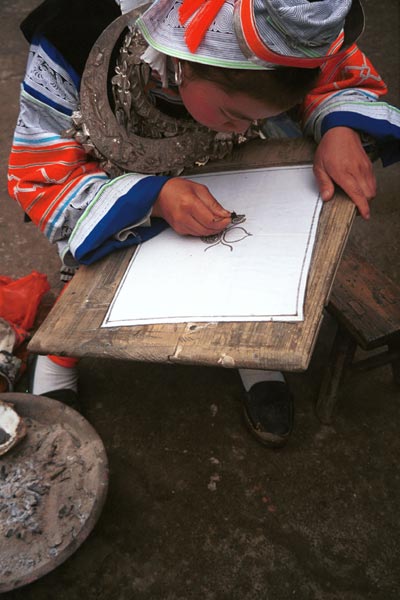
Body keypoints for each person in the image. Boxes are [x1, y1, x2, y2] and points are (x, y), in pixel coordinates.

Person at [8, 0, 400, 447]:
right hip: (115, 191)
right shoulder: (72, 37)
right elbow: (40, 172)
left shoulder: (290, 24)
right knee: (89, 277)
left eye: (265, 116)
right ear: (185, 62)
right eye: (234, 115)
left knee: (243, 248)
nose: (249, 125)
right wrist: (152, 198)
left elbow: (330, 76)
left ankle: (248, 351)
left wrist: (337, 127)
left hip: (230, 168)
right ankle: (60, 357)